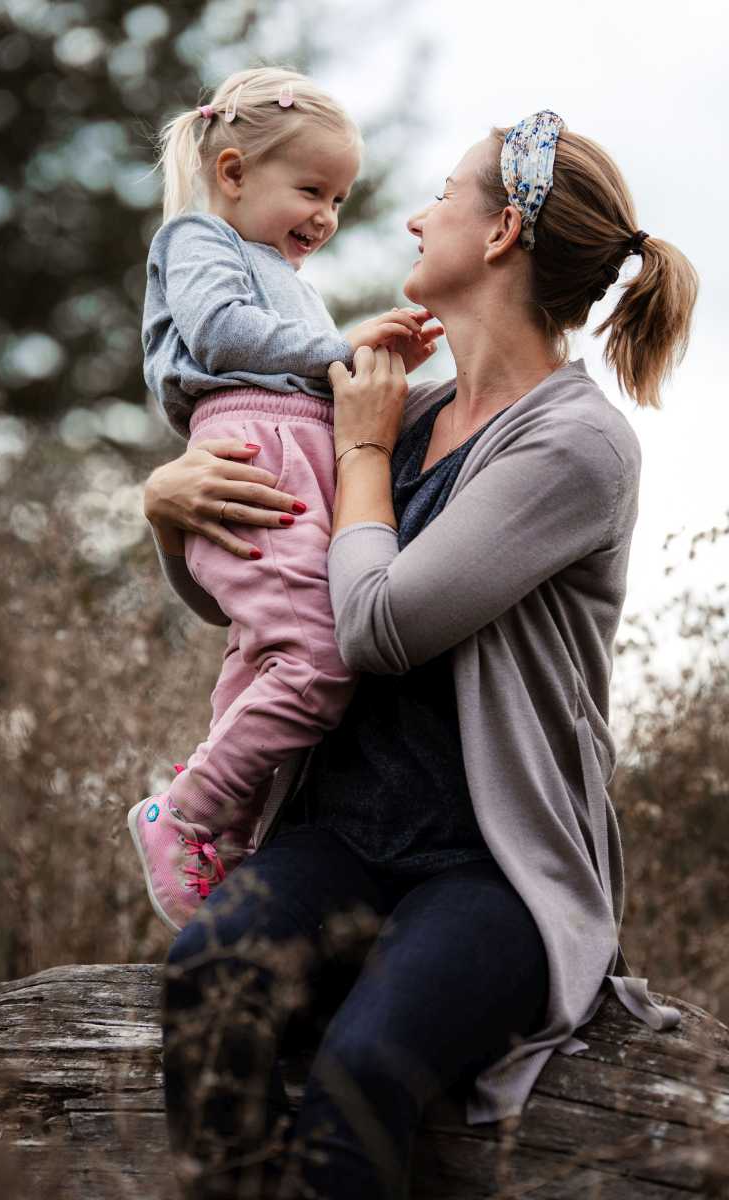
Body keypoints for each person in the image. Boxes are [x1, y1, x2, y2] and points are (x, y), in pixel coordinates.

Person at [142, 110, 698, 1199]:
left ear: (497, 233)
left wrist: (357, 448)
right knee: (206, 979)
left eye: (439, 195)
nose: (408, 215)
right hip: (340, 836)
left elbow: (376, 624)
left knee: (359, 1075)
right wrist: (168, 517)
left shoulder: (573, 444)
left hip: (490, 868)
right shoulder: (404, 411)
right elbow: (254, 605)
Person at [128, 67, 442, 934]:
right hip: (252, 457)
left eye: (339, 199)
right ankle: (184, 812)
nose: (327, 217)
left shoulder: (276, 269)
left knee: (264, 661)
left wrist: (367, 365)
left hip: (296, 454)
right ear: (233, 172)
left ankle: (222, 844)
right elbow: (225, 331)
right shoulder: (196, 239)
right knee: (321, 659)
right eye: (311, 189)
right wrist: (338, 347)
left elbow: (302, 359)